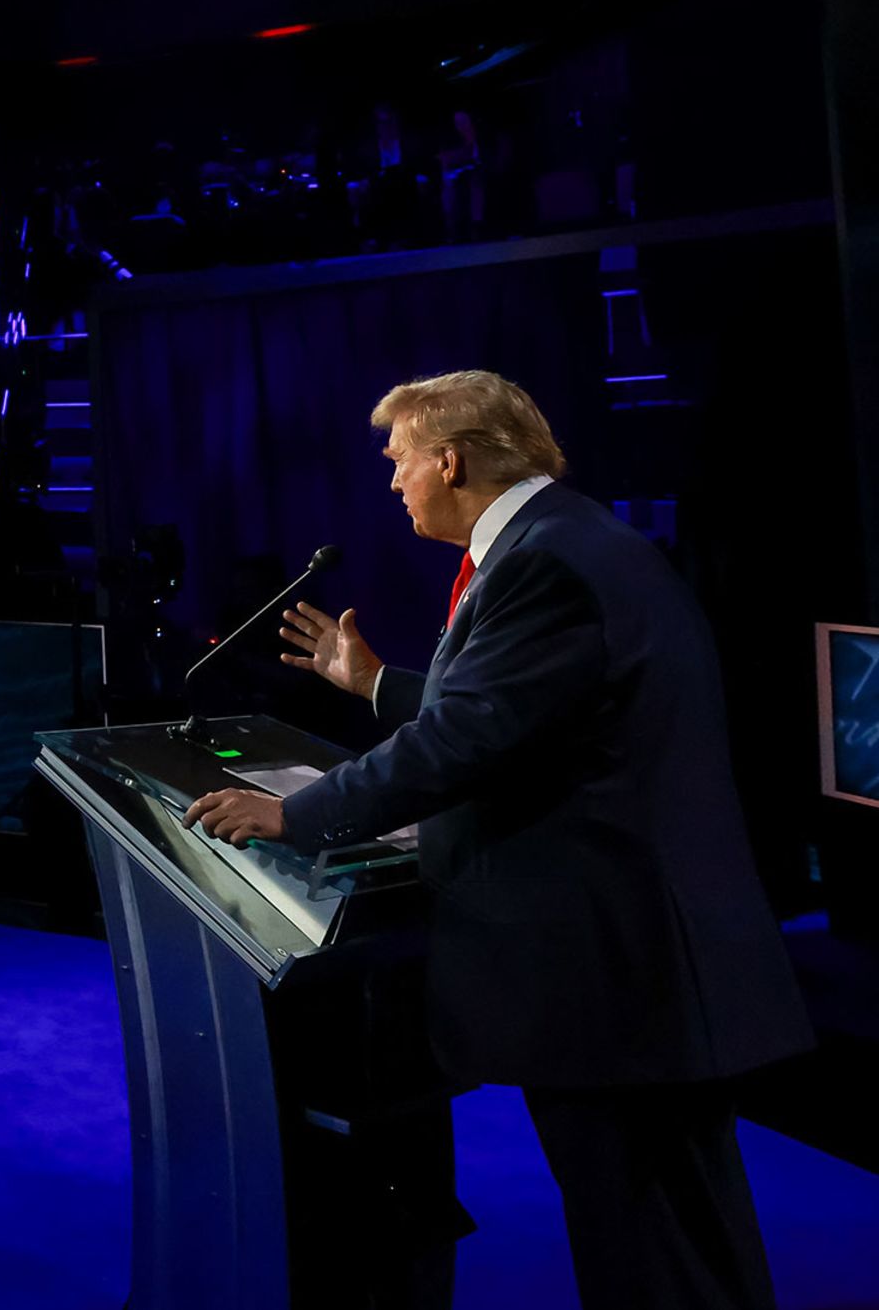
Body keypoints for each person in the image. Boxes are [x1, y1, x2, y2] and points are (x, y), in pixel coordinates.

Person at [184, 372, 810, 1310]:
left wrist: (297, 814)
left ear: (452, 458)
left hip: (616, 977)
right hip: (638, 967)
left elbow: (464, 740)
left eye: (399, 463)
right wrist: (379, 685)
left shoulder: (543, 564)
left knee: (653, 1248)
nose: (393, 484)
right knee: (679, 1237)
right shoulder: (566, 540)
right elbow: (524, 710)